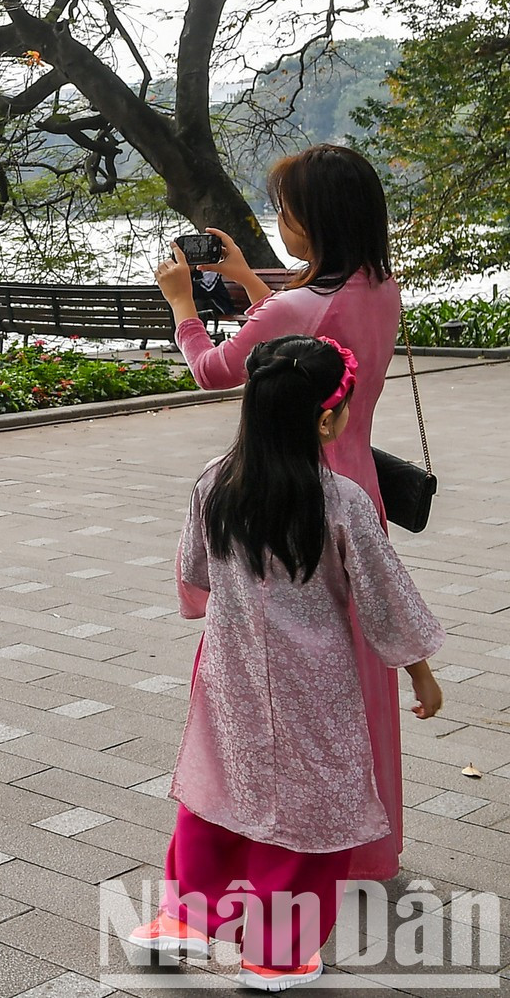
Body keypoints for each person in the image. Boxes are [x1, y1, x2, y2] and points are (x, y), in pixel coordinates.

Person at [127, 335, 443, 989]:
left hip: (229, 674)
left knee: (216, 790)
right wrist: (418, 667)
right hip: (315, 687)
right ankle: (276, 951)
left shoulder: (214, 483)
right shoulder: (344, 502)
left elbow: (194, 572)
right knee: (311, 809)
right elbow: (385, 598)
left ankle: (181, 917)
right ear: (327, 418)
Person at [151, 142, 410, 879]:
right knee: (355, 676)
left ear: (315, 220)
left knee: (273, 678)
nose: (281, 222)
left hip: (285, 496)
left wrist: (182, 304)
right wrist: (239, 275)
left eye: (287, 211)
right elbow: (304, 305)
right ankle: (364, 843)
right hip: (355, 483)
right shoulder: (381, 287)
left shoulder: (299, 304)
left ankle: (260, 835)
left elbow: (214, 371)